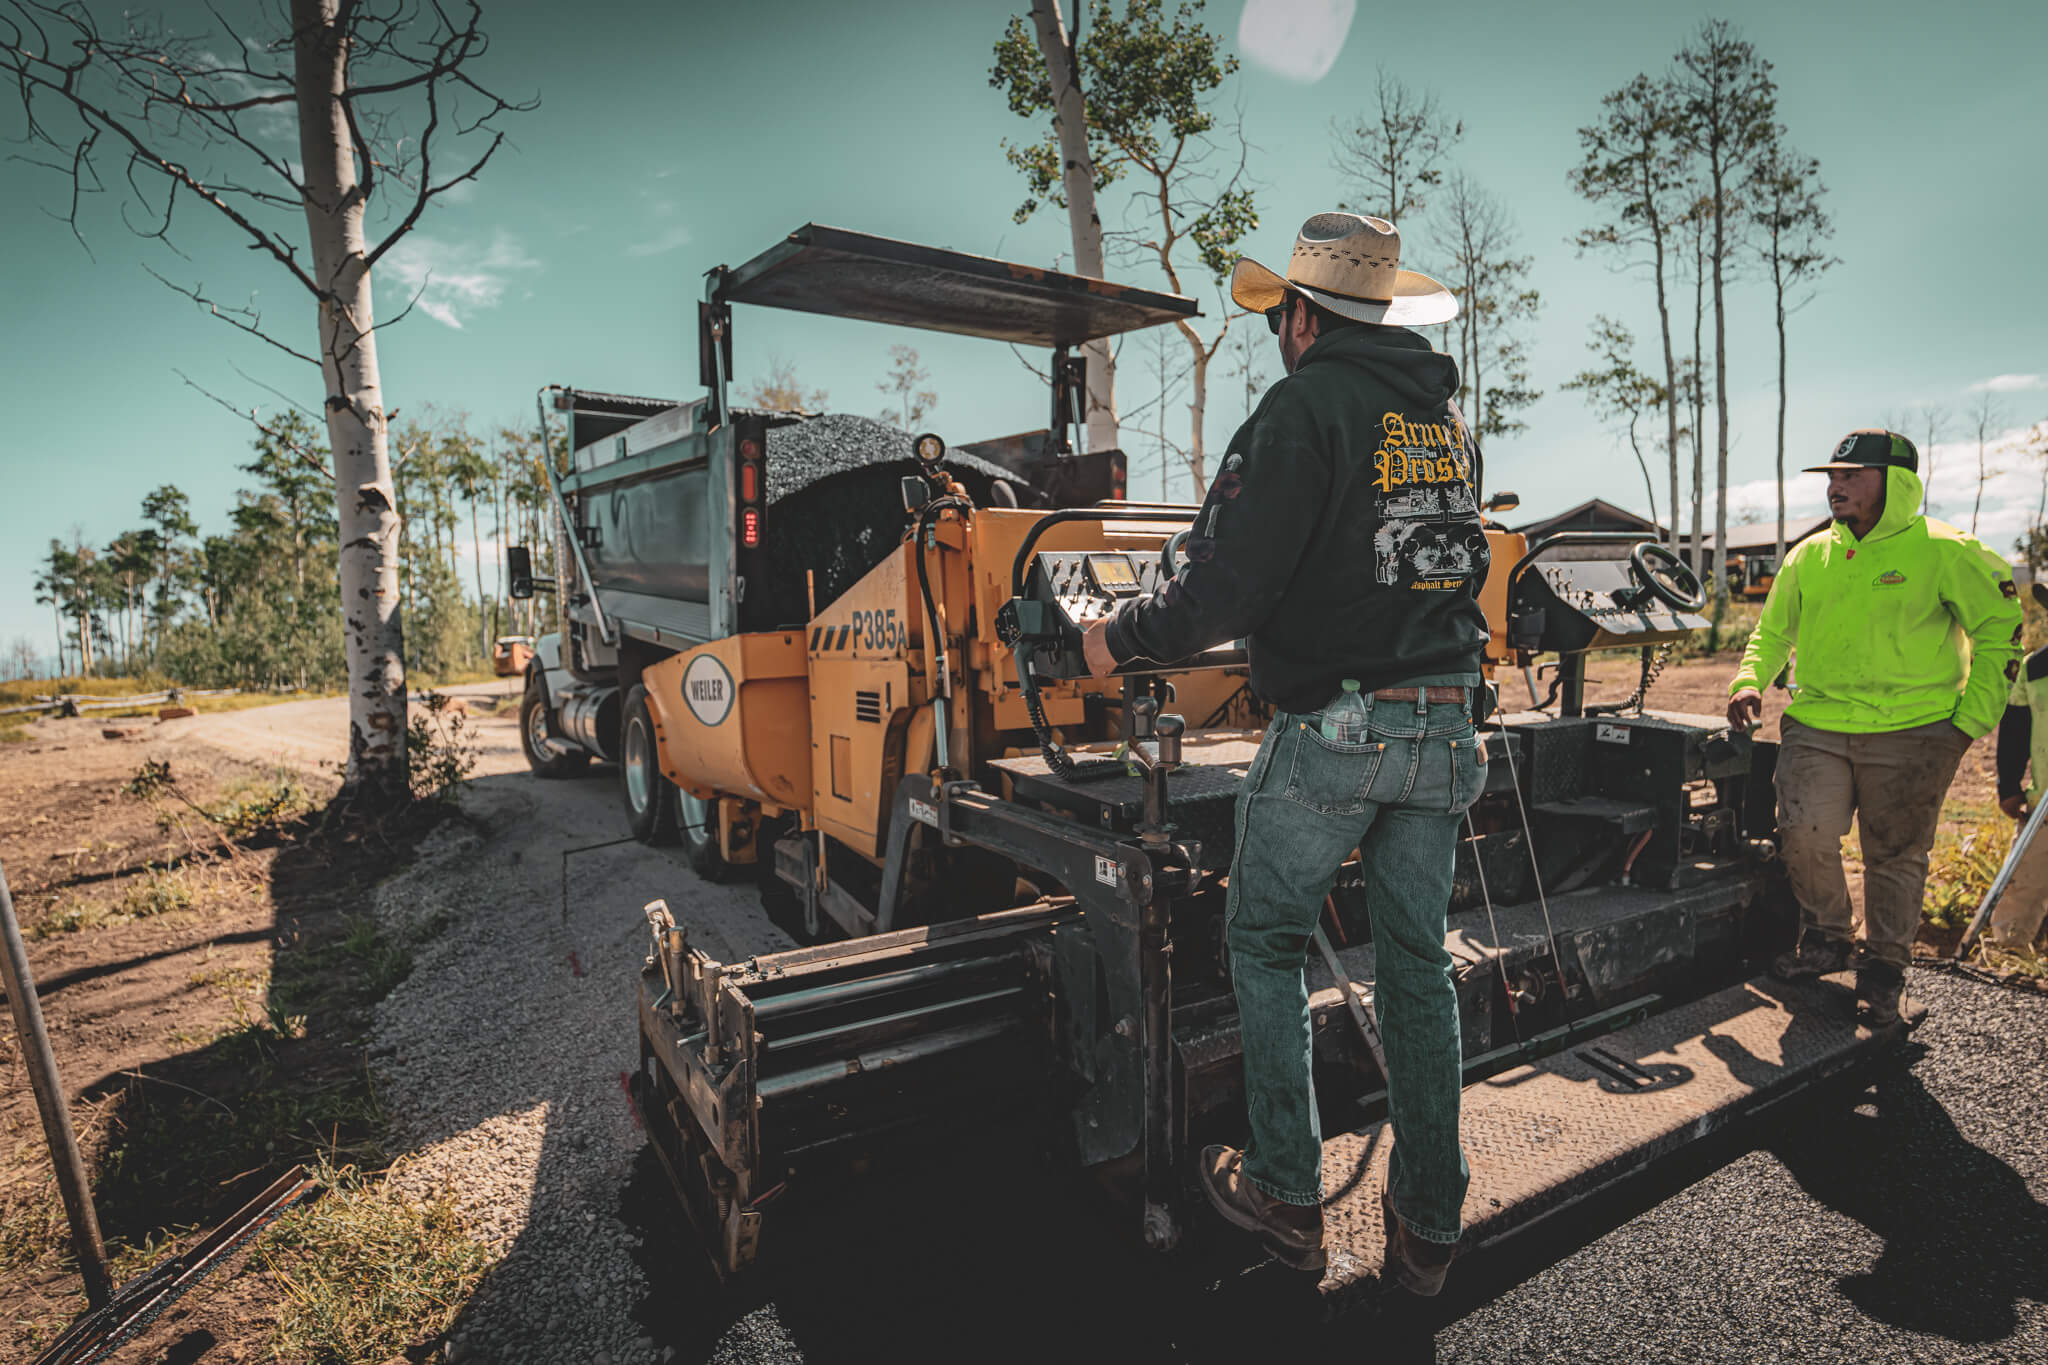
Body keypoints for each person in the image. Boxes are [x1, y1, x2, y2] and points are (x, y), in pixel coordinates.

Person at [1081, 212, 1487, 1290]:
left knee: (1261, 944)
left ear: (1302, 315)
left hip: (1338, 731)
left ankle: (1284, 1190)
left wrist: (1110, 639)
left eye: (1276, 317)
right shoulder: (1441, 424)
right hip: (1445, 719)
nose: (1275, 333)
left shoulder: (1303, 407)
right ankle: (1429, 1226)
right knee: (1415, 971)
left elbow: (1222, 583)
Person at [1728, 429, 2021, 1024]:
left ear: (1898, 483)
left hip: (1916, 730)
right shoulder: (1810, 555)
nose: (1836, 487)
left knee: (1894, 854)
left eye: (1851, 476)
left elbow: (2000, 626)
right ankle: (1830, 937)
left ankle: (1884, 968)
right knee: (1803, 833)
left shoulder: (1948, 550)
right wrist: (1749, 680)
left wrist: (1968, 721)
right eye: (1832, 477)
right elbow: (1773, 632)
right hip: (1817, 722)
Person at [1990, 593, 2048, 950]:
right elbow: (2014, 731)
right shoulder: (2035, 667)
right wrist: (2009, 786)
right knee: (2022, 889)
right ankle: (2010, 961)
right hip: (2043, 809)